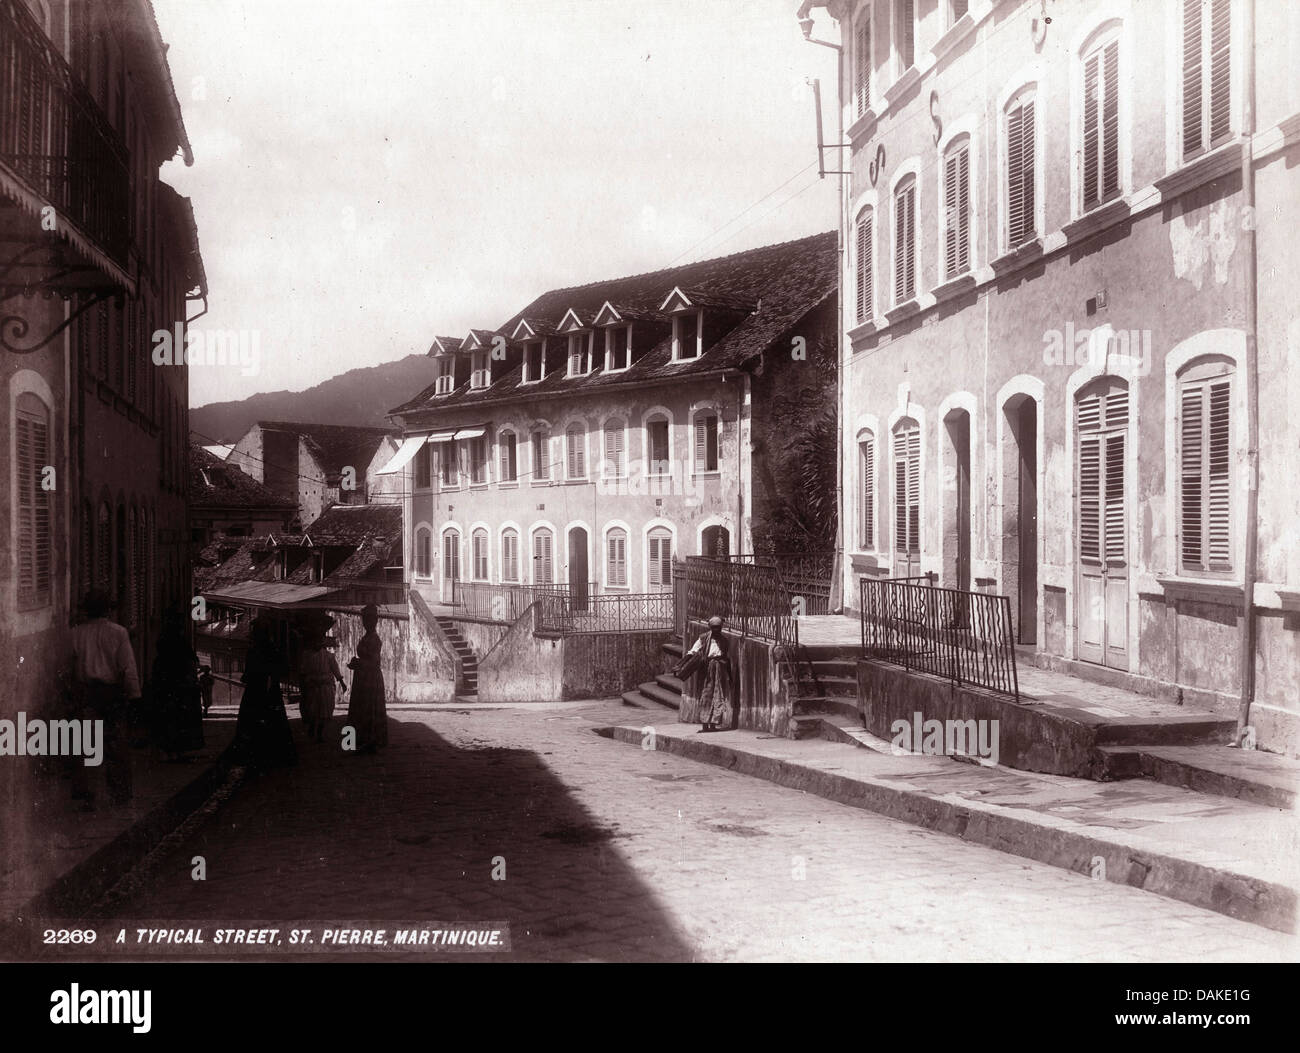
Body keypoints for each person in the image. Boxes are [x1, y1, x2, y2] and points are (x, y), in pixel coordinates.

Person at [68, 589, 140, 808]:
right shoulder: (118, 633)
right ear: (108, 609)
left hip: (86, 692)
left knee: (85, 744)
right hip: (111, 693)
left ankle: (87, 793)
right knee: (115, 742)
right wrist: (135, 694)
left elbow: (69, 666)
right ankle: (118, 793)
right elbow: (127, 667)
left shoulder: (75, 633)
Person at [233, 616, 297, 771]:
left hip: (257, 690)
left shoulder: (256, 650)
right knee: (272, 721)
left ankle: (256, 755)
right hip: (269, 690)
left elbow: (248, 673)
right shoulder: (272, 649)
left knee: (254, 721)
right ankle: (272, 755)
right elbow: (283, 669)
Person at [151, 609, 205, 762]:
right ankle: (177, 749)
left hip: (165, 684)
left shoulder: (162, 642)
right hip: (180, 685)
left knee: (167, 718)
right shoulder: (182, 642)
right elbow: (191, 660)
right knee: (180, 718)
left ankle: (167, 750)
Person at [345, 604, 388, 753]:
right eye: (365, 619)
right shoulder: (367, 637)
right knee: (359, 709)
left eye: (369, 620)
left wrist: (358, 663)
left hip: (370, 678)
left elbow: (375, 662)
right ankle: (354, 742)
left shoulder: (374, 639)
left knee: (368, 709)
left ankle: (369, 742)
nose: (366, 623)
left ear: (374, 621)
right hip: (362, 677)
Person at [682, 615, 734, 733]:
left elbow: (727, 659)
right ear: (710, 627)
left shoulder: (724, 641)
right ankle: (705, 724)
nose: (716, 630)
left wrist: (730, 677)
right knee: (706, 695)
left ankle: (714, 724)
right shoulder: (703, 638)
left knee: (717, 696)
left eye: (718, 628)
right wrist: (681, 665)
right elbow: (692, 652)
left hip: (719, 670)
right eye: (714, 627)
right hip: (706, 671)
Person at [297, 630, 345, 743]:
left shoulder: (329, 656)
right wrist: (303, 685)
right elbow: (303, 671)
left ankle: (319, 732)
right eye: (315, 640)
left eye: (320, 640)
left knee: (325, 711)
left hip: (325, 687)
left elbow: (335, 670)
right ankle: (312, 727)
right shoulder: (307, 655)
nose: (317, 643)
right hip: (312, 687)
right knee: (312, 710)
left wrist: (342, 683)